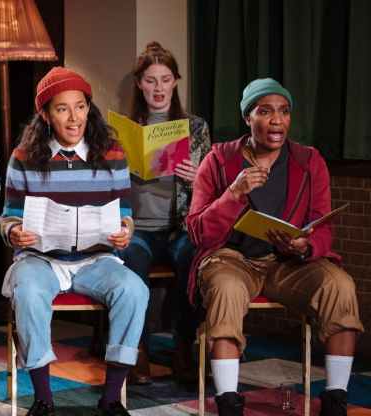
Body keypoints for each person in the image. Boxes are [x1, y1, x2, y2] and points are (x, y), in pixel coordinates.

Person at [187, 78, 364, 416]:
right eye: (265, 112)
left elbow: (323, 227)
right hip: (232, 259)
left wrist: (304, 245)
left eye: (284, 112)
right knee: (225, 289)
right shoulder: (219, 160)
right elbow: (198, 232)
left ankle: (336, 398)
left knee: (340, 285)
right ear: (247, 118)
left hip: (288, 263)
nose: (277, 120)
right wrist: (233, 195)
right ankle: (228, 401)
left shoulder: (309, 161)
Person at [0, 67, 148, 416]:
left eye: (80, 107)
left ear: (88, 108)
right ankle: (43, 400)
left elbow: (125, 212)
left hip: (96, 260)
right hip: (41, 259)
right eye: (62, 109)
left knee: (135, 290)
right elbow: (8, 217)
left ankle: (111, 398)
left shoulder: (111, 153)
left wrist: (125, 231)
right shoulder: (24, 157)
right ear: (46, 115)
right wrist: (14, 232)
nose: (73, 117)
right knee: (29, 292)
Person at [117, 41, 212, 385]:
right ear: (140, 84)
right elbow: (106, 185)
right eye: (150, 80)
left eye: (165, 79)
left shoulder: (195, 127)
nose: (158, 88)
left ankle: (183, 346)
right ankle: (137, 348)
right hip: (137, 226)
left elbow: (212, 188)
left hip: (179, 226)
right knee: (132, 260)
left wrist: (196, 175)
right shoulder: (122, 128)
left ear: (176, 81)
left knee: (193, 255)